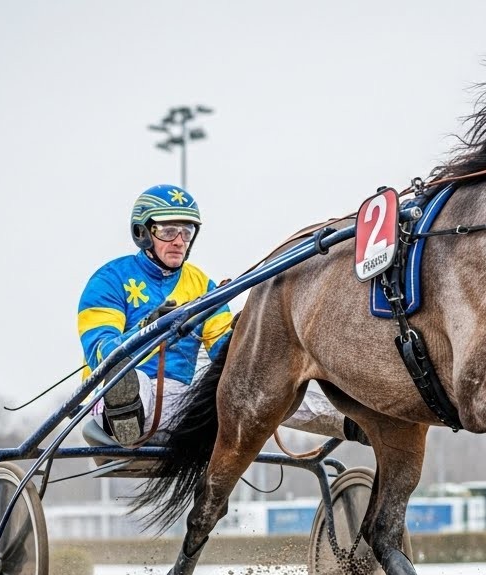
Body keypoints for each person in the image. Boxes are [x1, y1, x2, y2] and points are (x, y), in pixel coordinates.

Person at [79, 184, 362, 445]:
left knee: (265, 384)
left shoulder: (202, 285)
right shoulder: (109, 280)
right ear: (142, 233)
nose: (179, 241)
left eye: (186, 232)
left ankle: (354, 423)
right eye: (167, 232)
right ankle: (127, 417)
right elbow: (101, 353)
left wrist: (242, 333)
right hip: (121, 393)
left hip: (180, 403)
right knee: (127, 382)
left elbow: (225, 356)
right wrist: (149, 327)